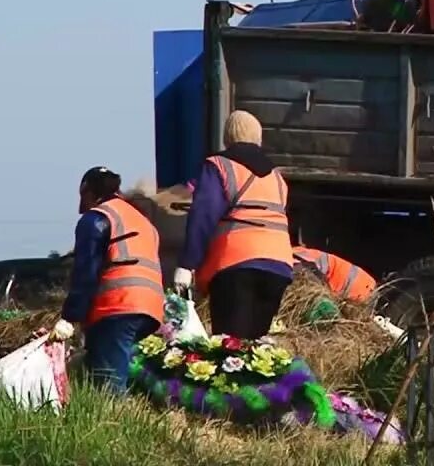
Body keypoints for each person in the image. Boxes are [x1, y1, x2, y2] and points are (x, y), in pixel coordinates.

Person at [174, 111, 293, 338]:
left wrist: (187, 264)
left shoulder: (219, 166)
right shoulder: (277, 177)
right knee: (253, 349)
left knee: (228, 345)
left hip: (236, 266)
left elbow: (203, 215)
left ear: (227, 137)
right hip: (278, 268)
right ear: (259, 137)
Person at [53, 167, 164, 392]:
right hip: (150, 307)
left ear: (88, 191)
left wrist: (70, 316)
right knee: (107, 365)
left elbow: (86, 272)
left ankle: (116, 421)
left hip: (118, 306)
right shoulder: (139, 219)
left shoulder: (97, 218)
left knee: (108, 384)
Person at [292, 245, 378, 304]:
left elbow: (314, 281)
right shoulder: (298, 252)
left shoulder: (293, 260)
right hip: (365, 285)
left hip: (355, 292)